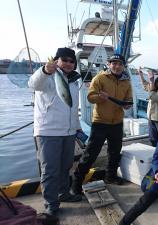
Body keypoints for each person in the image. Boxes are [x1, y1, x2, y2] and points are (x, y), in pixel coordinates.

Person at [28, 47, 82, 216]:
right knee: (50, 170)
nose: (67, 63)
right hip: (47, 132)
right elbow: (33, 84)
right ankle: (51, 203)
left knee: (65, 167)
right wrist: (45, 70)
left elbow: (72, 108)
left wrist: (77, 126)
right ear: (57, 60)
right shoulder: (48, 76)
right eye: (64, 60)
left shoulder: (73, 81)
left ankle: (63, 194)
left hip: (68, 132)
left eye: (71, 61)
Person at [72, 54, 133, 194]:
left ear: (124, 66)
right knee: (90, 154)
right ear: (109, 64)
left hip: (117, 122)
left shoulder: (126, 82)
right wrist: (100, 97)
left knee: (114, 152)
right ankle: (77, 183)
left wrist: (128, 105)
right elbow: (90, 97)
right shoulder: (100, 78)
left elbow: (128, 99)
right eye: (114, 63)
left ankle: (110, 176)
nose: (117, 66)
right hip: (100, 122)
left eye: (120, 64)